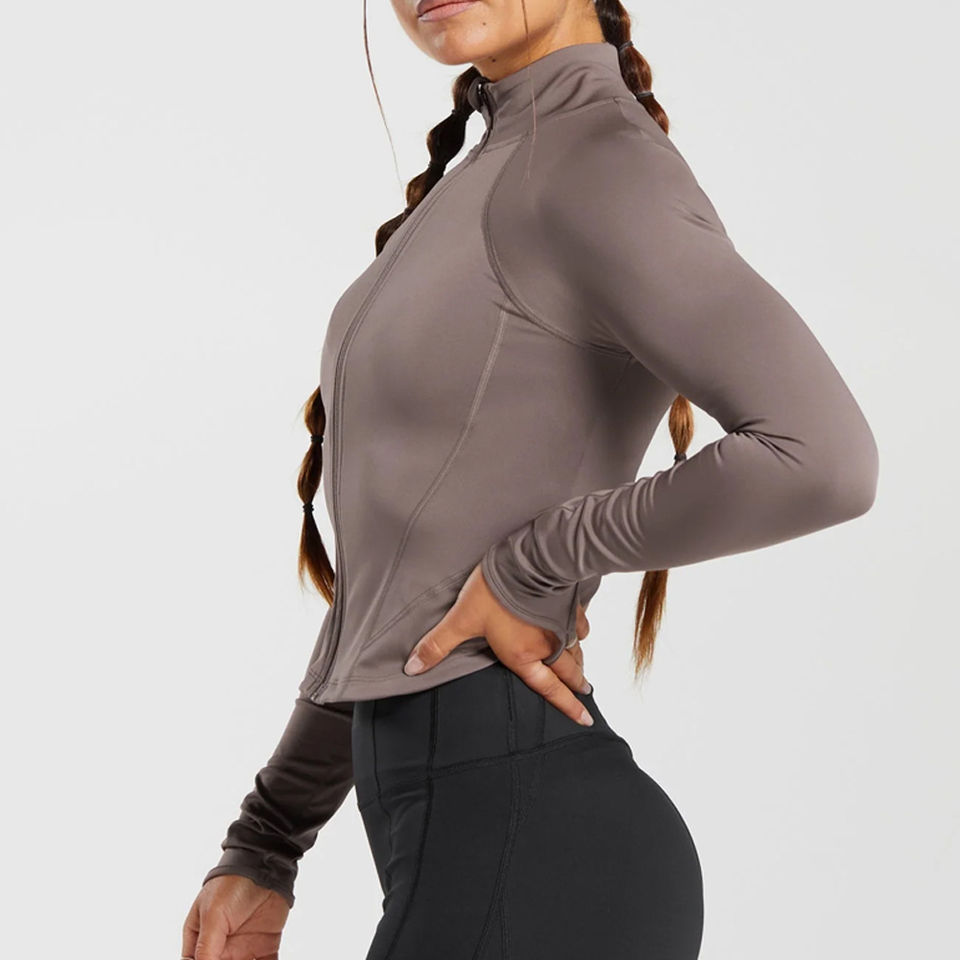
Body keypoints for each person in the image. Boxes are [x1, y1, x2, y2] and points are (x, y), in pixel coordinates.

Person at [182, 2, 879, 958]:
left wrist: (534, 564)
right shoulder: (498, 168)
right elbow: (403, 597)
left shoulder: (597, 163)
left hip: (532, 852)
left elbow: (822, 457)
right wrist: (269, 837)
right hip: (506, 846)